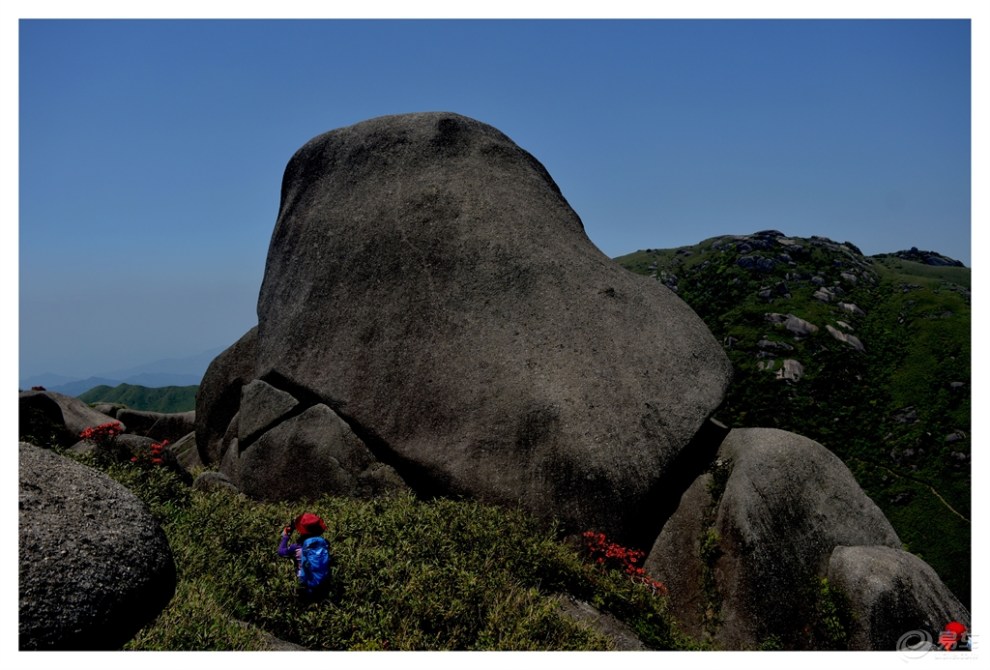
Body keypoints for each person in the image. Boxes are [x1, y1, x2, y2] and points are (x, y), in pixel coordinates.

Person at [278, 512, 332, 601]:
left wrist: (286, 536)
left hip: (303, 581)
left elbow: (281, 552)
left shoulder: (296, 547)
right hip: (323, 580)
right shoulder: (325, 543)